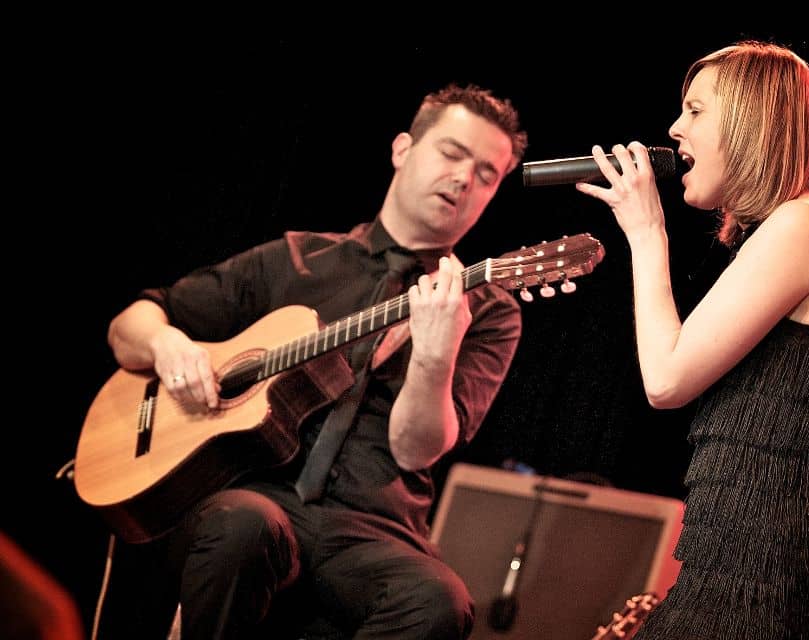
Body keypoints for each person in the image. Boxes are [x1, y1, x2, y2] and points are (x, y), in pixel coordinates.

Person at [97, 83, 527, 639]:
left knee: (439, 602)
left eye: (487, 174)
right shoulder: (297, 258)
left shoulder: (487, 307)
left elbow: (415, 449)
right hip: (258, 493)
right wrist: (167, 345)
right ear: (402, 149)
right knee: (244, 525)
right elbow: (131, 325)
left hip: (373, 527)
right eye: (451, 153)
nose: (464, 178)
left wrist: (436, 350)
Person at [576, 41, 809, 639]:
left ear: (751, 122)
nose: (674, 128)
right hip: (732, 579)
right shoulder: (793, 228)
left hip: (760, 593)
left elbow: (666, 380)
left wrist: (647, 233)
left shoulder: (807, 224)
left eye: (695, 110)